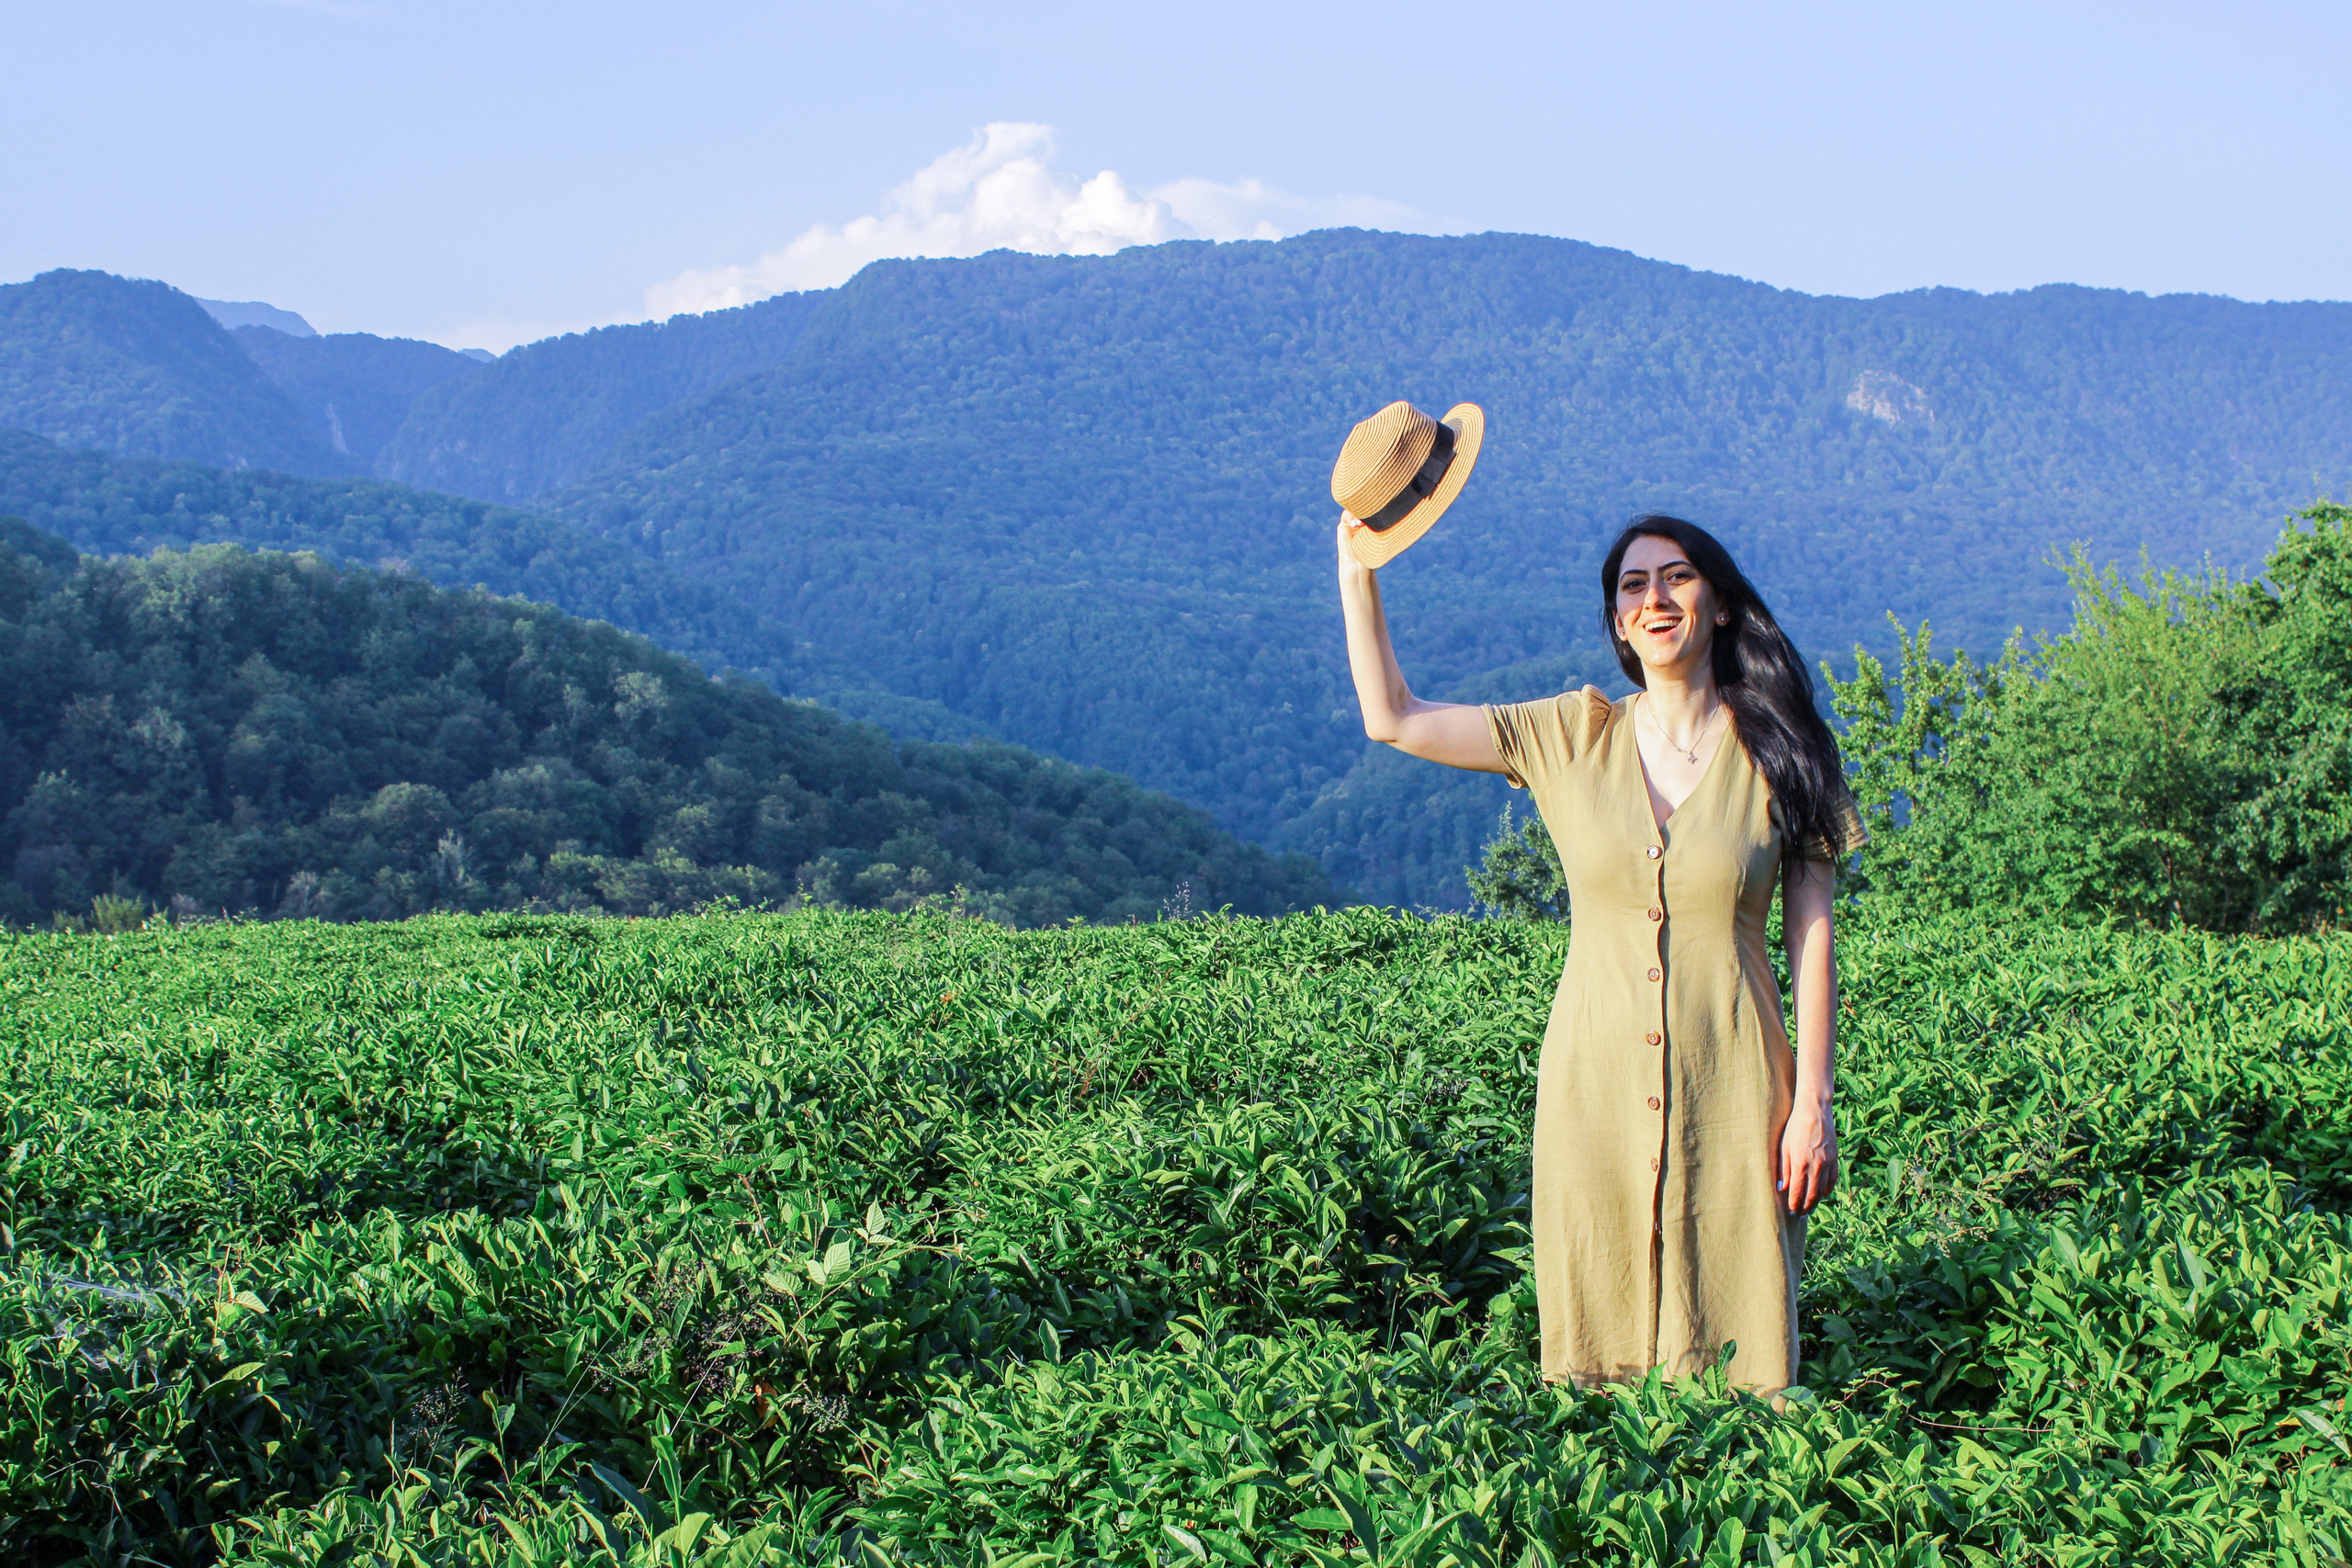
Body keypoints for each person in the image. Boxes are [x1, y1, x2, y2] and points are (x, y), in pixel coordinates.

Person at [1334, 511, 1861, 1394]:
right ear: (1618, 622)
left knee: (1740, 1347)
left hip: (1735, 1086)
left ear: (1720, 604)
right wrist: (1358, 571)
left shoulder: (1784, 749)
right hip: (1591, 1088)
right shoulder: (1571, 736)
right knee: (1595, 1354)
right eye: (1633, 586)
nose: (1655, 598)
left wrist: (1814, 1101)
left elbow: (1812, 934)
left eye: (1677, 577)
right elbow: (1395, 717)